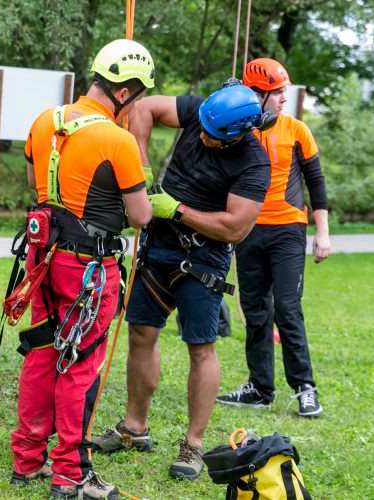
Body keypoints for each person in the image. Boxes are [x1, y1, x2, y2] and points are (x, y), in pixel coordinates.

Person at [91, 83, 271, 480]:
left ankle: (193, 442)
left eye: (212, 136)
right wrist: (140, 166)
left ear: (238, 134)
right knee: (140, 331)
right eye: (201, 126)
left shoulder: (254, 162)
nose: (202, 135)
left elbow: (235, 228)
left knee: (200, 347)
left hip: (203, 258)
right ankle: (134, 428)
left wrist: (177, 211)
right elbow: (143, 109)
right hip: (159, 248)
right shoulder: (204, 112)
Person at [9, 39, 154, 500]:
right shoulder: (117, 139)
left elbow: (40, 178)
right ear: (127, 91)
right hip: (89, 269)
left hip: (42, 257)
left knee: (43, 351)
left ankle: (27, 460)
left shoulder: (44, 120)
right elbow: (141, 216)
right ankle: (71, 472)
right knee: (79, 364)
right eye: (139, 96)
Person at [217, 58, 330, 417]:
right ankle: (260, 388)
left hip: (288, 231)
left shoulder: (298, 130)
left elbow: (317, 184)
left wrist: (322, 233)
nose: (283, 98)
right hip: (247, 231)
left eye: (284, 91)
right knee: (255, 311)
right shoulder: (237, 131)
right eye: (276, 92)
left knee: (287, 309)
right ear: (256, 94)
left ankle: (305, 388)